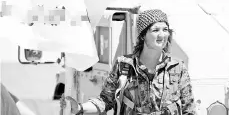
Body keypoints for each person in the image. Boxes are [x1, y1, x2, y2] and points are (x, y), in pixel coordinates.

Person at [64, 9, 197, 115]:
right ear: (143, 35)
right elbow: (105, 101)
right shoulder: (125, 65)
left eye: (165, 30)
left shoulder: (177, 67)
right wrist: (80, 108)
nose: (162, 35)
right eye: (155, 30)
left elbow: (189, 109)